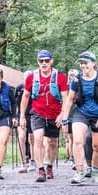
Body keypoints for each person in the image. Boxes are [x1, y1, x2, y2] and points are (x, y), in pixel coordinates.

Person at [61, 51, 98, 185]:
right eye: (81, 63)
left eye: (86, 63)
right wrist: (64, 120)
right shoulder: (76, 79)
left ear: (93, 63)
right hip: (81, 113)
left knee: (97, 147)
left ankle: (95, 171)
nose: (83, 65)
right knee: (78, 141)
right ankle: (79, 172)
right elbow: (69, 101)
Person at [19, 50, 68, 182]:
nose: (44, 63)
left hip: (54, 113)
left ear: (51, 61)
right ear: (38, 62)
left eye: (46, 60)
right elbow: (25, 96)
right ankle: (41, 170)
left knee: (52, 142)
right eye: (41, 61)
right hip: (37, 112)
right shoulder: (31, 78)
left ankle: (49, 166)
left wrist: (63, 114)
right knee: (38, 138)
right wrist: (22, 116)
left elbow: (65, 97)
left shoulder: (60, 77)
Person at [15, 72, 35, 173]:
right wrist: (14, 116)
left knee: (32, 138)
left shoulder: (35, 87)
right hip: (21, 115)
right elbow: (15, 102)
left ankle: (33, 161)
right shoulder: (19, 88)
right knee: (21, 137)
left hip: (33, 114)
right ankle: (23, 162)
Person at [64, 69, 79, 169]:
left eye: (73, 75)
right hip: (68, 116)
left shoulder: (79, 87)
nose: (71, 77)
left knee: (77, 139)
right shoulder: (65, 88)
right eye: (70, 75)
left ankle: (76, 158)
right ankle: (73, 159)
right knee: (71, 139)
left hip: (78, 115)